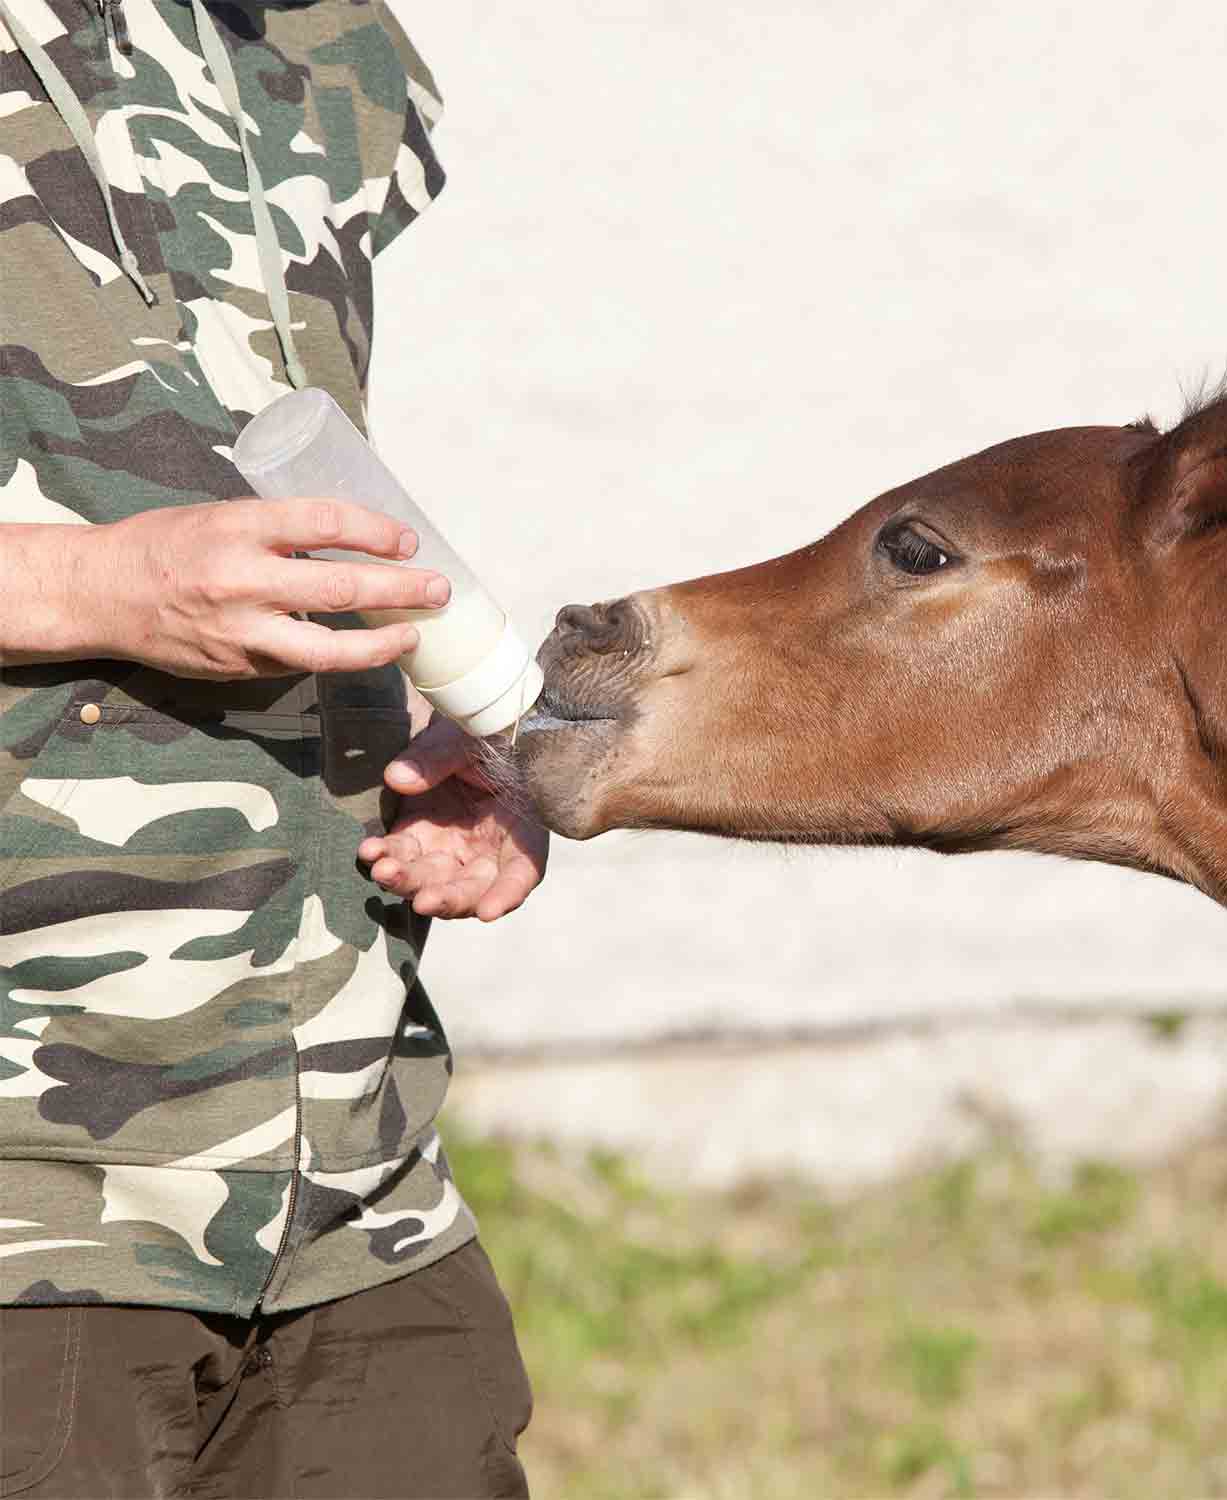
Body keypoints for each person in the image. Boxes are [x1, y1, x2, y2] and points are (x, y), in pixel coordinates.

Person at [0, 2, 543, 1493]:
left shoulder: (306, 37)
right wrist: (94, 586)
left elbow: (241, 432)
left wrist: (435, 719)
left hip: (353, 1181)